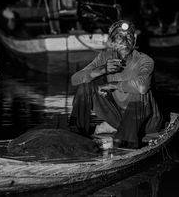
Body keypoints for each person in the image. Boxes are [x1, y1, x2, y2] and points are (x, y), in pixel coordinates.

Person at [69, 19, 164, 149]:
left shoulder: (144, 60)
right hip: (119, 119)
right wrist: (102, 70)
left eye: (129, 36)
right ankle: (77, 133)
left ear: (134, 41)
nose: (125, 41)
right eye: (120, 37)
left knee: (140, 92)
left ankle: (126, 142)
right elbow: (75, 79)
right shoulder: (105, 57)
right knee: (85, 86)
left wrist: (112, 85)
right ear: (112, 42)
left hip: (147, 124)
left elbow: (142, 87)